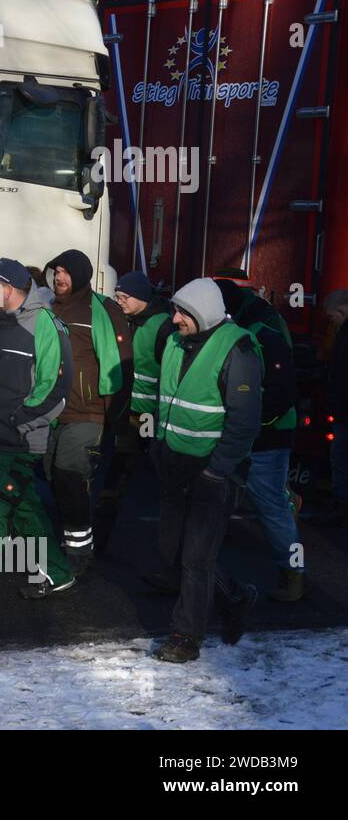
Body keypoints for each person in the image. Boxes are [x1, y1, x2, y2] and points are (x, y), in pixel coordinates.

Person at [147, 278, 261, 663]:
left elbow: (244, 423)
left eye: (183, 312)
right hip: (175, 462)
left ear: (204, 312)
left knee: (196, 557)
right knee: (180, 552)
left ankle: (186, 637)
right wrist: (158, 446)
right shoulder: (177, 342)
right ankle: (233, 596)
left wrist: (218, 470)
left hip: (211, 470)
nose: (174, 318)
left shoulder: (238, 349)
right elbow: (167, 400)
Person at [0, 258, 75, 616]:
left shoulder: (45, 325)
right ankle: (57, 572)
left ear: (9, 287)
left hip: (21, 441)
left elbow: (55, 388)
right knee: (23, 508)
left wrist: (19, 422)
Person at [42, 249, 132, 576]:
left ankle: (80, 556)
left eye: (65, 272)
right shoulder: (48, 307)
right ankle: (72, 539)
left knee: (70, 477)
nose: (59, 278)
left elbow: (117, 366)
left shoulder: (101, 309)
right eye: (56, 271)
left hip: (87, 411)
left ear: (80, 274)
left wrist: (115, 421)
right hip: (52, 412)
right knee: (53, 477)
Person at [215, 283, 304, 601]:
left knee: (273, 509)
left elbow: (283, 393)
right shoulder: (240, 329)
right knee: (222, 498)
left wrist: (253, 424)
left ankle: (295, 574)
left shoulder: (264, 334)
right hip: (245, 433)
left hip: (269, 436)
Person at [93, 271, 174, 551]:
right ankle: (100, 536)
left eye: (125, 297)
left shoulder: (164, 327)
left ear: (141, 297)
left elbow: (172, 374)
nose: (120, 301)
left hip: (151, 415)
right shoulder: (124, 319)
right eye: (117, 296)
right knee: (118, 468)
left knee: (162, 471)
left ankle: (175, 540)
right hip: (126, 413)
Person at [324, 289, 348, 524]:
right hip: (343, 409)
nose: (333, 322)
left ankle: (341, 505)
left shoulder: (344, 334)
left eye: (333, 317)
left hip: (344, 411)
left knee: (340, 459)